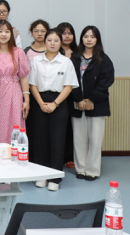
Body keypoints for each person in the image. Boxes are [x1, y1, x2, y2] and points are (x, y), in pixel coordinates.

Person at [27, 29, 78, 192]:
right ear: (45, 42)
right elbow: (32, 84)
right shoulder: (36, 61)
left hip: (59, 102)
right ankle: (41, 175)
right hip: (39, 101)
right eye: (49, 40)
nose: (52, 43)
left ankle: (55, 177)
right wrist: (41, 103)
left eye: (56, 40)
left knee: (57, 141)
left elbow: (68, 86)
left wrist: (55, 104)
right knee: (40, 140)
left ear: (60, 43)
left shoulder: (66, 62)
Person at [70, 26, 115, 181]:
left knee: (95, 140)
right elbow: (70, 80)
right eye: (86, 36)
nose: (89, 39)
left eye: (93, 36)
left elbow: (105, 82)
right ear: (82, 38)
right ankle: (81, 169)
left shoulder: (104, 59)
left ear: (97, 39)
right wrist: (78, 99)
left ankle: (92, 170)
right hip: (77, 103)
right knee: (79, 139)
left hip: (97, 104)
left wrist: (91, 99)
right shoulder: (74, 58)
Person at [0, 20, 30, 143]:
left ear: (11, 34)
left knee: (14, 124)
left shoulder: (18, 52)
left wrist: (26, 100)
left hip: (14, 93)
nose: (3, 34)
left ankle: (15, 153)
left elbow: (23, 77)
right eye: (0, 31)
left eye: (7, 31)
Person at [57, 21, 78, 169]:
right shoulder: (54, 52)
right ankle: (60, 157)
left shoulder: (78, 52)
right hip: (59, 94)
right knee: (60, 127)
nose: (67, 36)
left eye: (70, 33)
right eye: (64, 33)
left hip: (75, 95)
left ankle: (71, 157)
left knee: (72, 127)